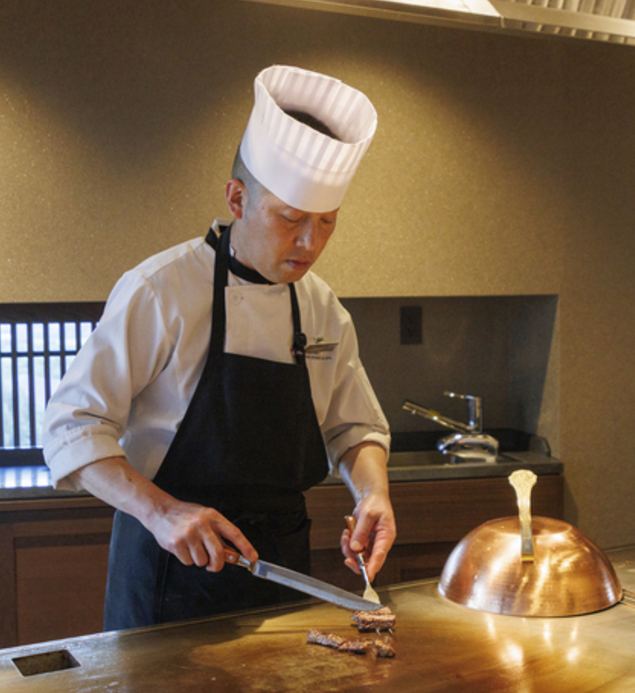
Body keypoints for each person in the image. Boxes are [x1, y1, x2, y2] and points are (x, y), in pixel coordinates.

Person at [42, 64, 394, 631]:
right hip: (168, 576)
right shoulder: (160, 290)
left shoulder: (321, 305)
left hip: (281, 571)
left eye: (327, 223)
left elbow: (354, 429)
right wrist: (161, 512)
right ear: (236, 198)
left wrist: (372, 493)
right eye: (291, 218)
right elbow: (71, 427)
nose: (310, 242)